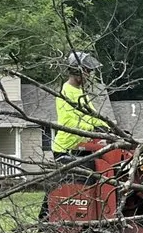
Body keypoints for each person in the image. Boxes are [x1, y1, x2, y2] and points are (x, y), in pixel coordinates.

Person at [40, 51, 108, 221]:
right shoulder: (66, 92)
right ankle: (45, 220)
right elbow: (70, 123)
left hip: (82, 147)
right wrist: (94, 128)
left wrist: (108, 128)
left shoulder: (80, 92)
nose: (89, 74)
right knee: (64, 186)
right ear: (77, 71)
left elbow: (93, 116)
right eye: (87, 71)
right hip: (67, 148)